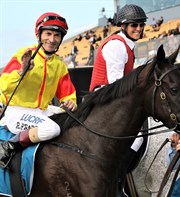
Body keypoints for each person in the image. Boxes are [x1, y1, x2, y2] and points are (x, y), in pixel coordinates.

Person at [0, 12, 77, 168]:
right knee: (52, 129)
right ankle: (9, 146)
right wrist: (22, 71)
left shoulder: (59, 64)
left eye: (57, 35)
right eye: (48, 33)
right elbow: (3, 86)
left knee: (75, 120)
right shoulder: (24, 54)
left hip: (41, 110)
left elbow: (67, 93)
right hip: (15, 111)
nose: (52, 39)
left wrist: (70, 102)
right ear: (39, 34)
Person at [89, 4, 147, 197]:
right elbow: (117, 84)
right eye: (133, 25)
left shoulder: (127, 45)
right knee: (137, 136)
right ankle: (115, 180)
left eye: (140, 25)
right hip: (105, 95)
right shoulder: (117, 46)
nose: (138, 29)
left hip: (112, 94)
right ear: (123, 26)